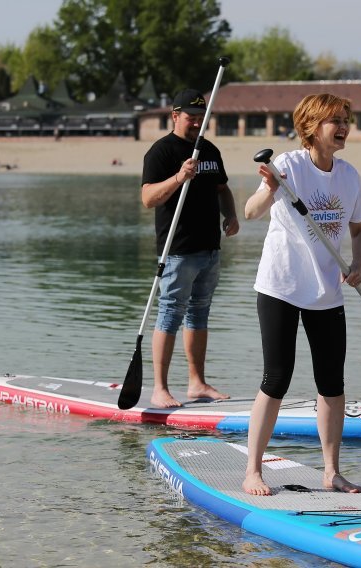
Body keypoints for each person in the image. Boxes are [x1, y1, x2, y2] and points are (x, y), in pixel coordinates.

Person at [242, 93, 361, 496]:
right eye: (334, 120)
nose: (343, 126)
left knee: (332, 383)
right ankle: (252, 471)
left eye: (346, 119)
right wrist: (268, 188)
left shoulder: (349, 176)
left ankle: (331, 471)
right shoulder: (288, 166)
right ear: (310, 127)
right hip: (281, 286)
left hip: (328, 292)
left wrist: (358, 264)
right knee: (276, 377)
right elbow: (251, 212)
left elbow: (360, 230)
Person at [141, 88, 240, 408]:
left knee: (199, 313)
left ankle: (197, 383)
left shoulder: (210, 150)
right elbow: (147, 199)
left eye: (202, 118)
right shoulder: (161, 151)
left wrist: (231, 214)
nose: (197, 123)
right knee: (170, 314)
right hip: (177, 249)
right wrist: (179, 177)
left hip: (209, 248)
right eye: (191, 118)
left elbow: (222, 189)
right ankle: (160, 388)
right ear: (175, 116)